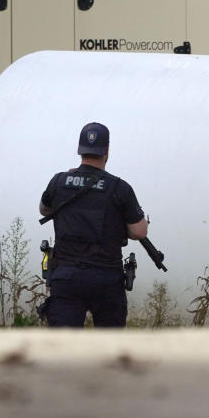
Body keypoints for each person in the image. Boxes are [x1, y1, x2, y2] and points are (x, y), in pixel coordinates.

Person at [38, 122, 148, 328]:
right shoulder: (119, 188)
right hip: (106, 279)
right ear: (106, 150)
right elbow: (139, 231)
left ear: (80, 151)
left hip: (66, 277)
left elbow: (44, 210)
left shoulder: (59, 181)